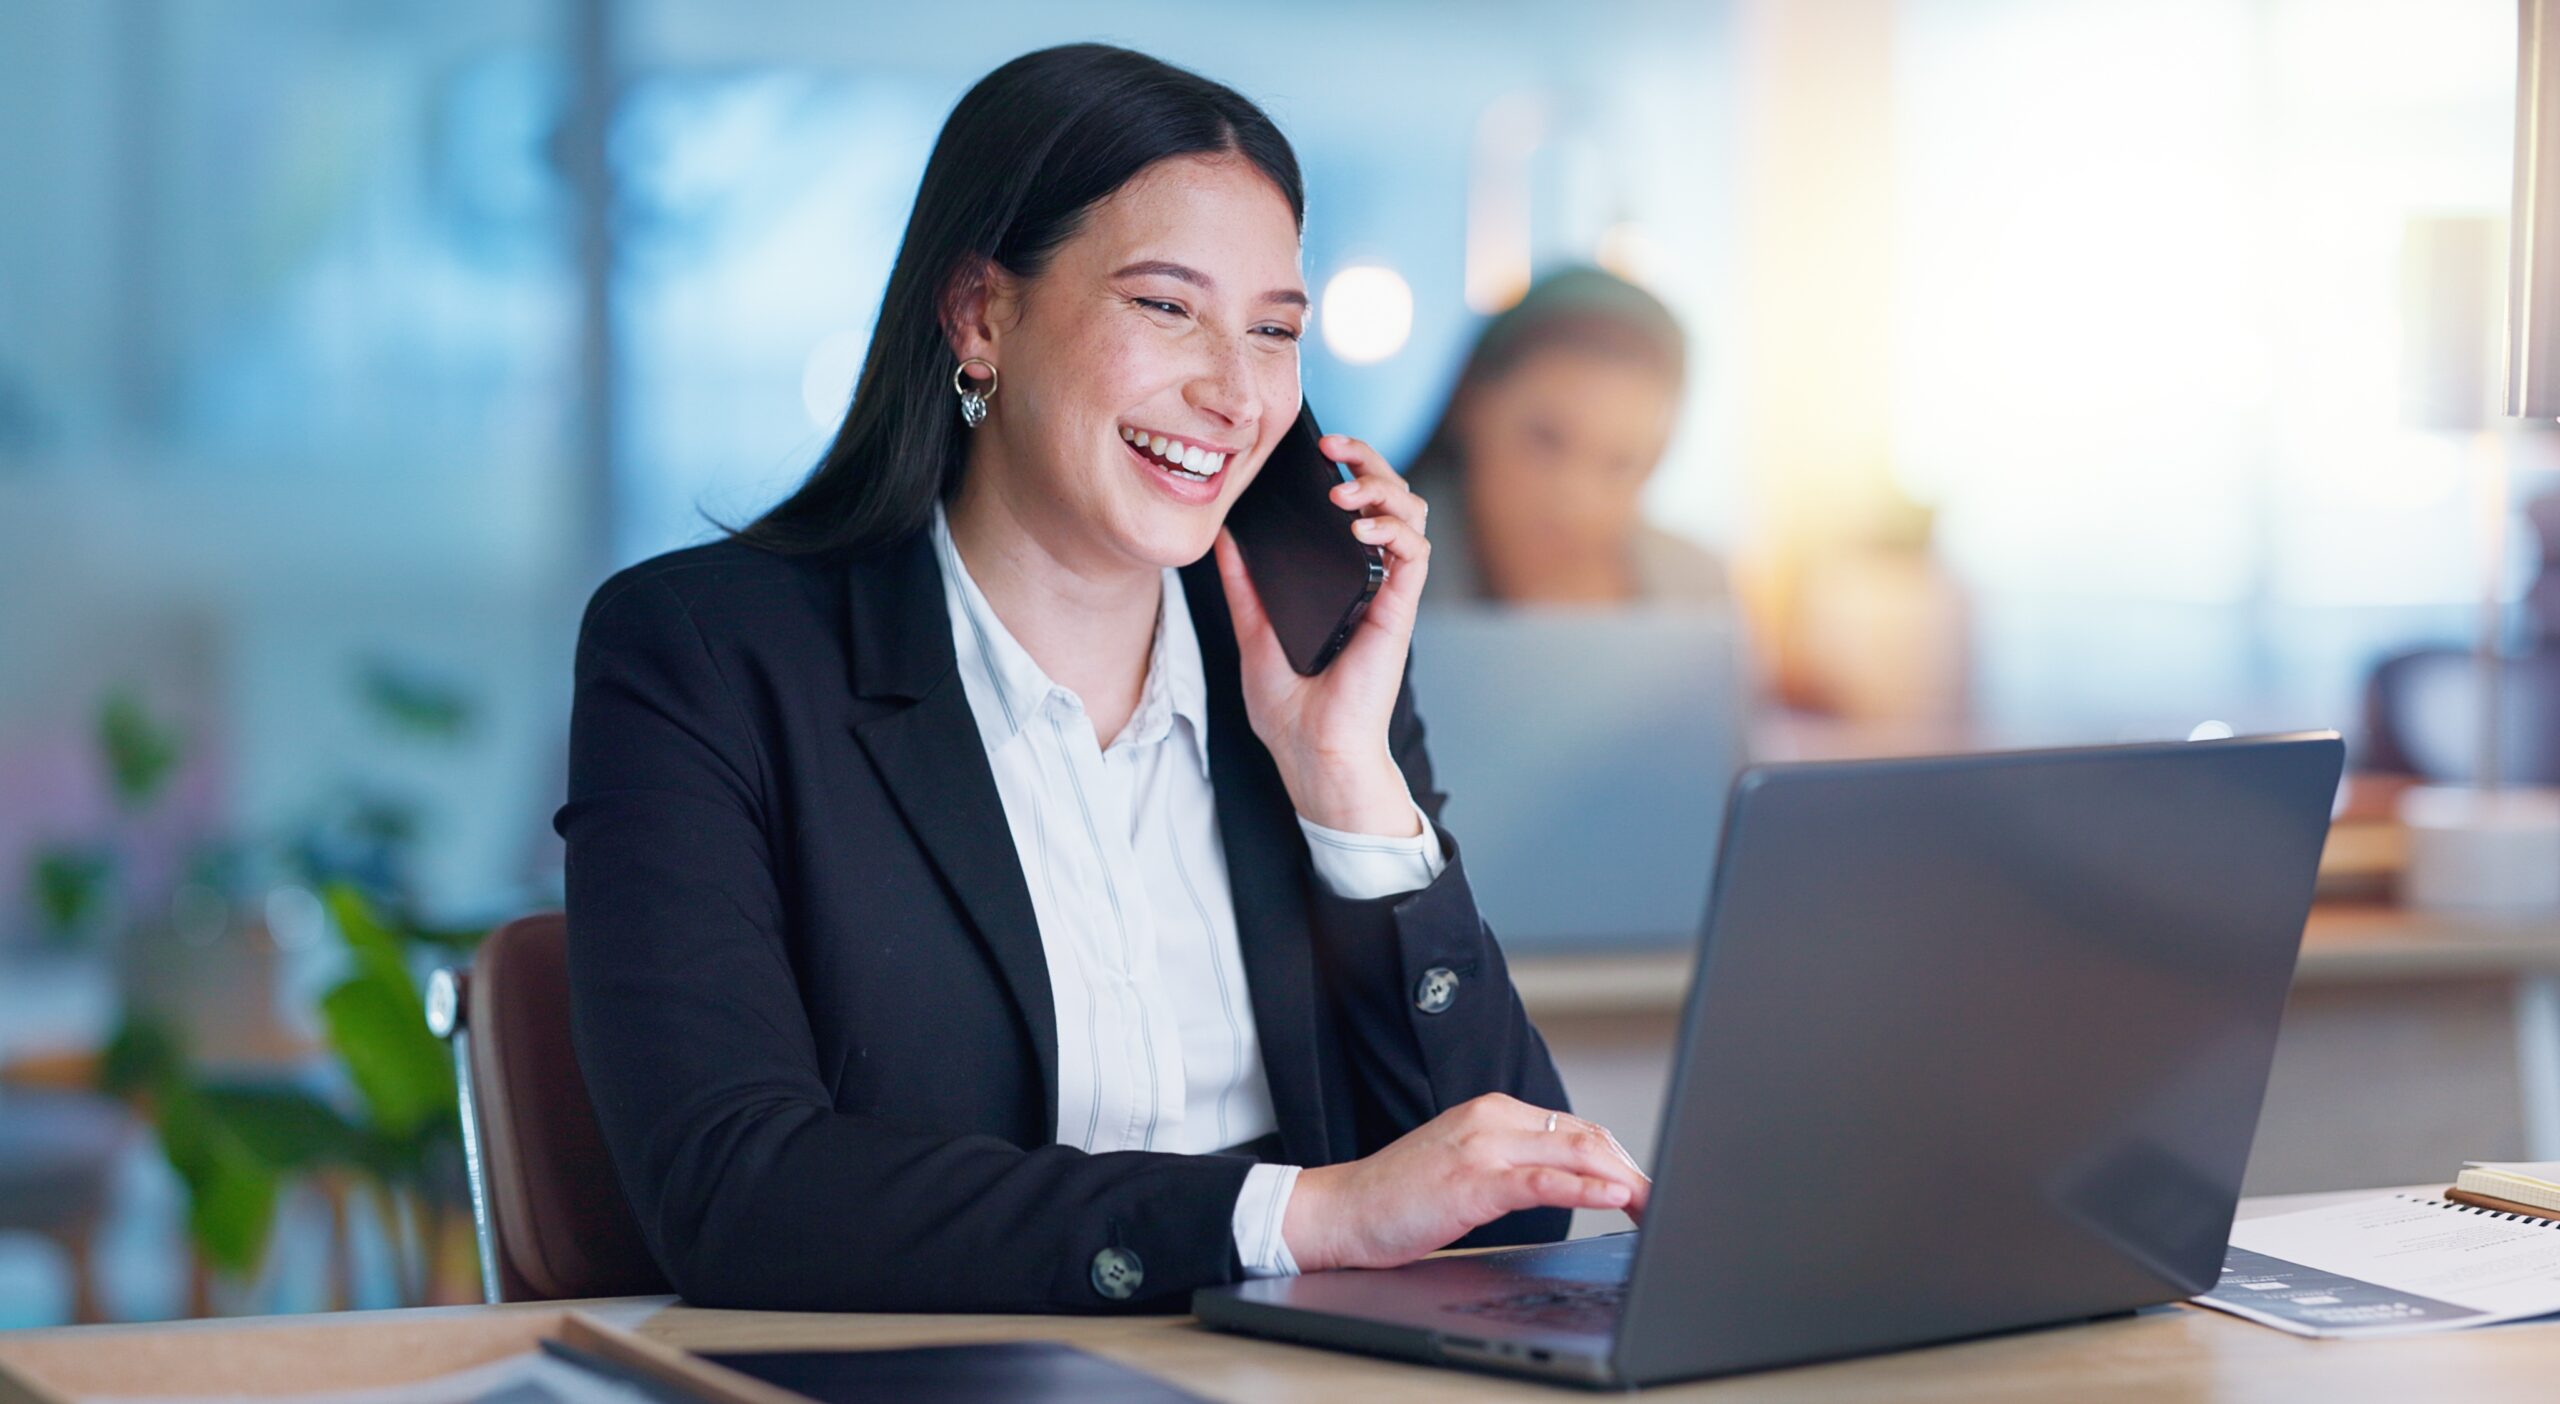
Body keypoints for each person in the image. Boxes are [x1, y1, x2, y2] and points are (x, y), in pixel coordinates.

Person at [556, 44, 1648, 1316]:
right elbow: (734, 1195)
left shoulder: (1304, 656)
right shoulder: (706, 655)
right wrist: (1304, 1216)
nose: (1234, 393)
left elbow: (1512, 1207)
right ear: (980, 314)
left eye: (1275, 330)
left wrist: (1347, 784)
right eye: (1165, 306)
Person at [1404, 265, 1727, 607]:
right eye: (1546, 440)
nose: (1574, 496)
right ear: (1472, 404)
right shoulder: (1368, 572)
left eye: (1622, 463)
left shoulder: (1699, 590)